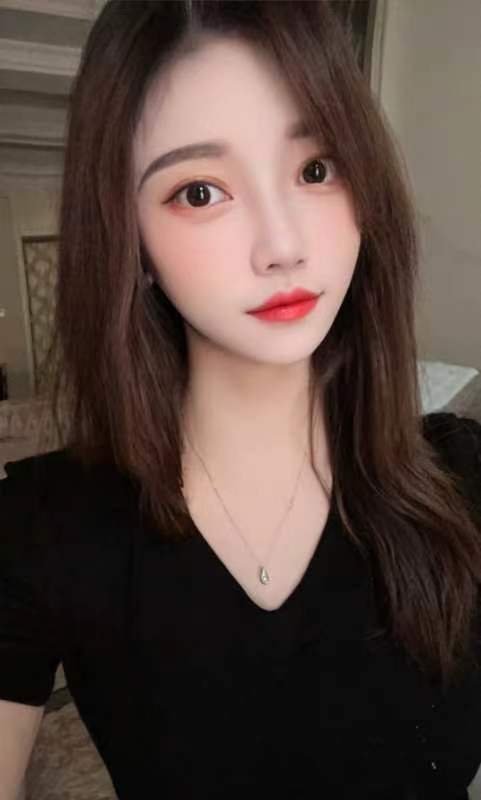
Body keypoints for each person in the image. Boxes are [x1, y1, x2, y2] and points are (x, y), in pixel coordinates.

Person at [1, 1, 480, 798]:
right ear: (130, 238)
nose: (282, 244)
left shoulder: (465, 482)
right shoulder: (41, 528)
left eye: (316, 169)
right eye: (199, 192)